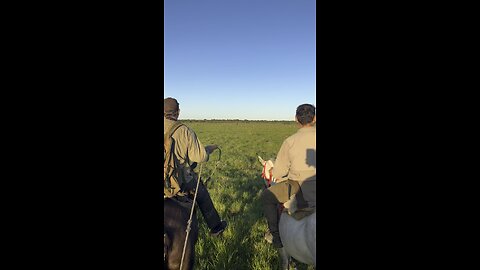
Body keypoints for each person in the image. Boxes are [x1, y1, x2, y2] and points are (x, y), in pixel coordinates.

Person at [164, 97, 227, 236]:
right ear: (178, 112)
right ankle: (216, 227)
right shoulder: (184, 130)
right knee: (201, 191)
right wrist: (208, 149)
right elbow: (200, 157)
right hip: (175, 182)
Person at [260, 104, 317, 251]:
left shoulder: (290, 141)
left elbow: (278, 173)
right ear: (315, 118)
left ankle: (276, 237)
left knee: (267, 196)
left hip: (297, 185)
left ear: (296, 119)